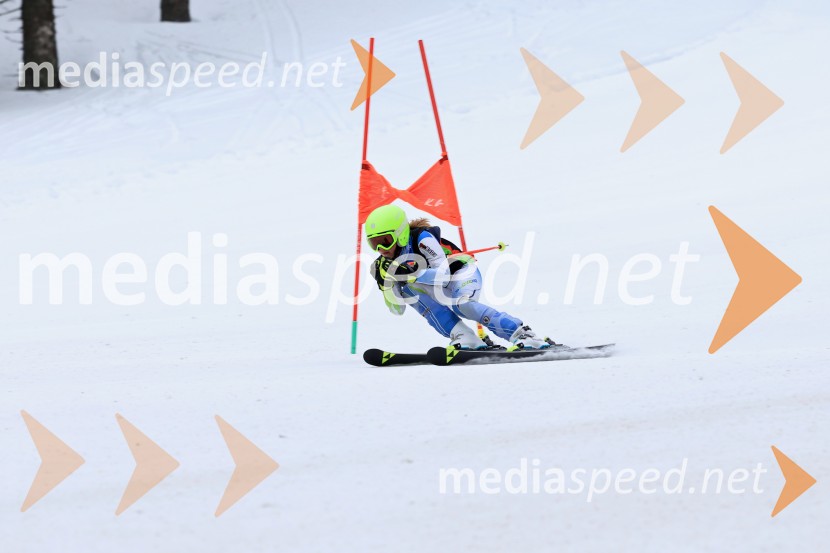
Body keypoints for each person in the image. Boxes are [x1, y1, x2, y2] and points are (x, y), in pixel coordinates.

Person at [365, 204, 558, 350]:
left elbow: (444, 275)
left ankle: (522, 334)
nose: (381, 250)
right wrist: (387, 285)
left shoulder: (422, 239)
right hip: (438, 286)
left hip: (462, 273)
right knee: (409, 290)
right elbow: (397, 310)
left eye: (385, 241)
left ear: (399, 234)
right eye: (374, 244)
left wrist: (414, 273)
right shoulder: (384, 264)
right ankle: (464, 337)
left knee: (461, 304)